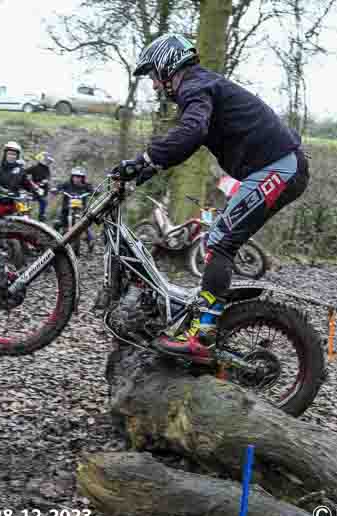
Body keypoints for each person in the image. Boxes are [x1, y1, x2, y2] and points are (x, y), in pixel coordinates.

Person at [115, 33, 310, 362]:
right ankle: (204, 322)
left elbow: (191, 132)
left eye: (153, 76)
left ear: (166, 64)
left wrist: (146, 159)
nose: (154, 85)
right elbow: (191, 138)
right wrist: (148, 169)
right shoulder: (202, 86)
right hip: (274, 167)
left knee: (219, 241)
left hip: (281, 167)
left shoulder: (195, 85)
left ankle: (201, 336)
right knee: (217, 237)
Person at [51, 166, 96, 248]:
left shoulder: (86, 186)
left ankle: (91, 240)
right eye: (75, 176)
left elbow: (93, 190)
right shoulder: (67, 184)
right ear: (72, 177)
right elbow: (59, 187)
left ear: (83, 178)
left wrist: (95, 192)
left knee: (85, 224)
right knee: (56, 223)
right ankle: (52, 241)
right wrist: (55, 189)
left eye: (79, 177)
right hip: (66, 210)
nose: (77, 179)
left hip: (80, 210)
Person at [25, 151, 54, 222]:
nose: (48, 162)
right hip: (35, 188)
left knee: (44, 202)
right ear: (42, 159)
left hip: (43, 189)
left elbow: (48, 177)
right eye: (47, 161)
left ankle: (41, 216)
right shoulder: (35, 167)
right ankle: (27, 215)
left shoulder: (47, 169)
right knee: (30, 201)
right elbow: (24, 172)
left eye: (48, 161)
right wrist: (29, 181)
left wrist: (46, 181)